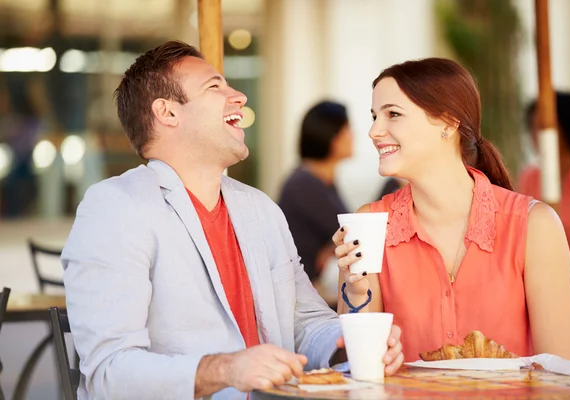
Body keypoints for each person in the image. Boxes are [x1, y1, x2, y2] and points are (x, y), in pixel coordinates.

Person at [60, 41, 403, 400]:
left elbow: (304, 322)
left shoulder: (260, 209)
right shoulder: (117, 207)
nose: (238, 95)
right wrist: (226, 368)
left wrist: (346, 340)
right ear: (167, 112)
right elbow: (109, 373)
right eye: (214, 86)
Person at [332, 58, 570, 363]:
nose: (373, 131)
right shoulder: (369, 223)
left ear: (448, 123)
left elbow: (560, 376)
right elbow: (363, 368)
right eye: (373, 116)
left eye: (393, 114)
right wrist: (354, 291)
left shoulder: (534, 226)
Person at [518, 92, 570, 334]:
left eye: (540, 125)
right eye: (532, 126)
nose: (534, 133)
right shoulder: (530, 178)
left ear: (565, 129)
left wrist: (554, 285)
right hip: (534, 285)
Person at [279, 101, 352, 289]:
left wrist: (331, 246)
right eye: (347, 130)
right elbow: (350, 230)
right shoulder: (304, 184)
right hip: (305, 291)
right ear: (331, 136)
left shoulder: (322, 180)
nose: (352, 137)